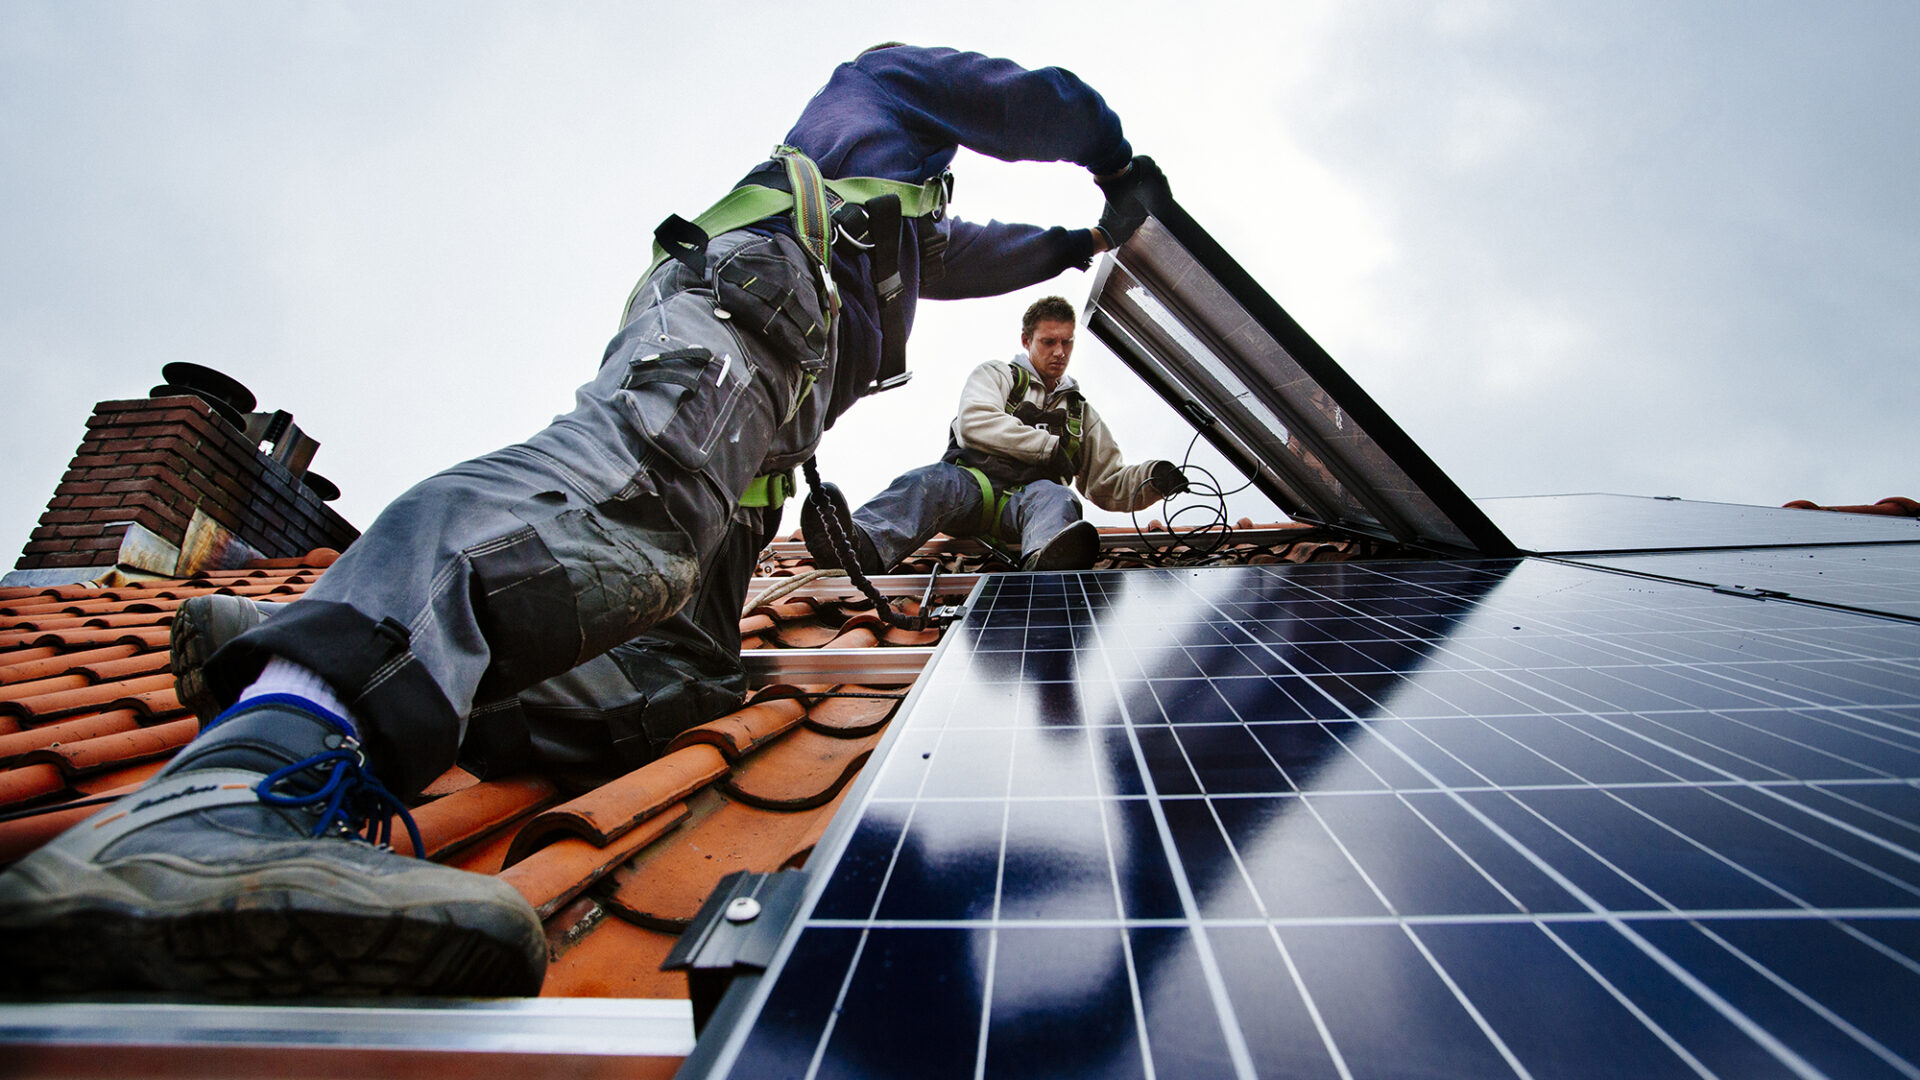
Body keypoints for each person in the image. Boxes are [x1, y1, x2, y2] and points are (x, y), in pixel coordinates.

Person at [0, 44, 1165, 998]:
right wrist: (1112, 163)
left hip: (762, 437)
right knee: (623, 503)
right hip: (733, 329)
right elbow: (1028, 100)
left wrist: (1075, 249)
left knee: (682, 673)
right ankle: (238, 784)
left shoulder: (904, 228)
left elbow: (973, 257)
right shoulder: (883, 89)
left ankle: (332, 638)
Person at [804, 296, 1187, 574]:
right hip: (973, 488)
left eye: (1066, 342)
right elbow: (975, 422)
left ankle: (1045, 565)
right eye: (1048, 341)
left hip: (1028, 505)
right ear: (1026, 341)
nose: (1059, 351)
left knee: (1058, 497)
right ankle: (857, 546)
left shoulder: (1079, 414)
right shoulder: (998, 376)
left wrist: (1153, 479)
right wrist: (1046, 448)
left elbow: (1106, 483)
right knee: (930, 481)